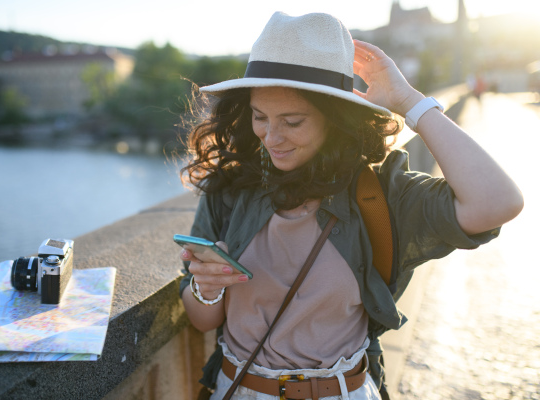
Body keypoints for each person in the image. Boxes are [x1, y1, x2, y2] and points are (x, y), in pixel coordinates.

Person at [178, 12, 523, 400]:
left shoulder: (379, 194)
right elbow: (201, 319)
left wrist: (410, 102)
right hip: (237, 389)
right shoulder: (230, 187)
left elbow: (497, 202)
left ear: (335, 119)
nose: (271, 137)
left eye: (292, 121)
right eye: (261, 117)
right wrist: (206, 287)